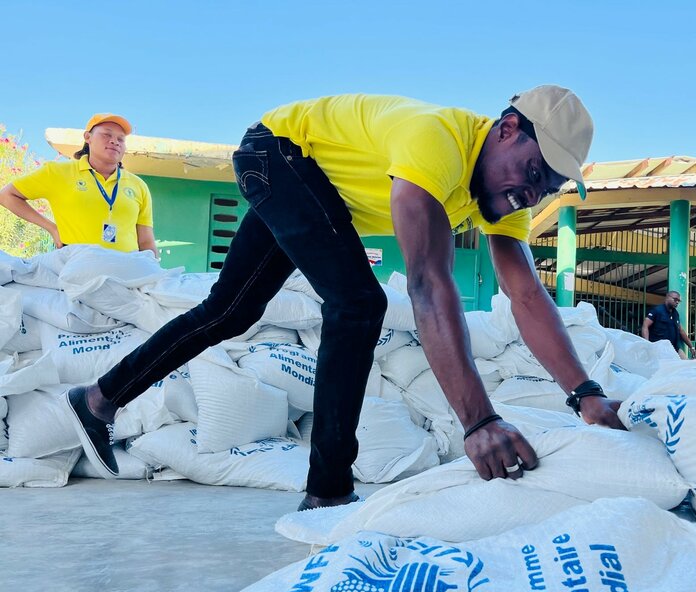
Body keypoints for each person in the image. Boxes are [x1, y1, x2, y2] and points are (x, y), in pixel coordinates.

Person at [62, 86, 624, 510]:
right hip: (277, 153)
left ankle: (98, 399)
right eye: (531, 170)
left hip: (309, 181)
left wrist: (586, 395)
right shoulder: (439, 143)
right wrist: (478, 423)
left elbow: (525, 295)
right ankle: (328, 492)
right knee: (358, 303)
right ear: (506, 128)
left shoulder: (504, 199)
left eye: (544, 185)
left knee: (230, 310)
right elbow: (430, 284)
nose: (530, 191)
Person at [0, 113, 157, 256]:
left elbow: (146, 243)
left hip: (127, 275)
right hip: (76, 272)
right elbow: (7, 195)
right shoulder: (58, 172)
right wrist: (53, 228)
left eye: (120, 139)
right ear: (88, 137)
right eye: (107, 134)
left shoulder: (138, 185)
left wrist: (154, 272)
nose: (114, 141)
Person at [641, 290, 696, 359]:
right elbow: (645, 325)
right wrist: (647, 344)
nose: (677, 302)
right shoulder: (657, 311)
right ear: (667, 297)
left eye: (678, 301)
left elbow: (681, 331)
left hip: (674, 348)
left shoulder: (675, 313)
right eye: (675, 299)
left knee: (685, 366)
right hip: (658, 348)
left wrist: (691, 346)